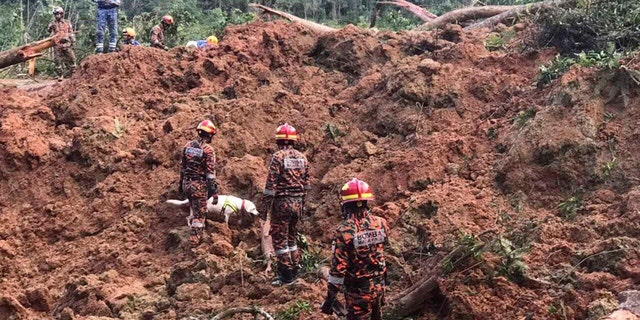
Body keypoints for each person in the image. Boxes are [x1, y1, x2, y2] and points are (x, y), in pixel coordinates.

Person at [321, 178, 389, 320]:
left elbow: (339, 269)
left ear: (345, 205)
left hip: (358, 293)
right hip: (379, 287)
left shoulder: (344, 230)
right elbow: (382, 249)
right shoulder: (381, 223)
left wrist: (330, 299)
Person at [261, 123, 310, 285]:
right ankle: (296, 268)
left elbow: (270, 186)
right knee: (291, 237)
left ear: (279, 141)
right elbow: (307, 184)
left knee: (280, 239)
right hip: (298, 204)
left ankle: (286, 275)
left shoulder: (278, 157)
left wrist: (265, 208)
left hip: (282, 204)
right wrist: (302, 203)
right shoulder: (303, 158)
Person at [179, 120, 218, 246]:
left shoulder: (188, 146)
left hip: (186, 184)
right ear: (210, 135)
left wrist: (181, 185)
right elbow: (210, 174)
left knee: (195, 209)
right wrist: (214, 192)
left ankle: (199, 232)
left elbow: (182, 167)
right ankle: (194, 242)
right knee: (200, 215)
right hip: (198, 186)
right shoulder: (208, 150)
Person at [48, 7, 77, 78]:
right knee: (57, 61)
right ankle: (60, 75)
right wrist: (51, 27)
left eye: (58, 14)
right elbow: (49, 31)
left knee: (72, 59)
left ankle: (73, 74)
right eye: (55, 14)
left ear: (62, 14)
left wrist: (73, 40)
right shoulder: (53, 23)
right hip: (57, 44)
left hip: (67, 44)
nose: (57, 16)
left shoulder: (67, 22)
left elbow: (71, 32)